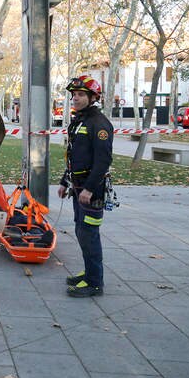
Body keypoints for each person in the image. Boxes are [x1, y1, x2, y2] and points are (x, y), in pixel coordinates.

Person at [57, 75, 113, 298]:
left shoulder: (99, 124)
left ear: (92, 97)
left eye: (80, 95)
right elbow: (74, 156)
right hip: (78, 187)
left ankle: (95, 283)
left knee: (88, 233)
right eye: (74, 95)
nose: (75, 98)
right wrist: (64, 181)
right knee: (81, 231)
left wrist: (89, 189)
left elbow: (103, 161)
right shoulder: (79, 121)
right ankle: (90, 273)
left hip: (93, 190)